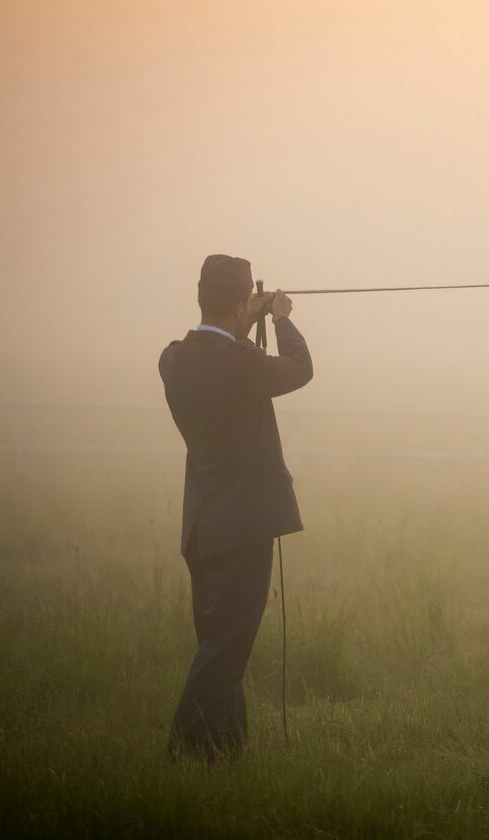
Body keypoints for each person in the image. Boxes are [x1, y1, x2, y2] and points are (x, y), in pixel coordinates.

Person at [158, 254, 312, 761]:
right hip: (243, 528)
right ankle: (181, 750)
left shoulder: (174, 359)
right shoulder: (240, 363)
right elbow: (299, 370)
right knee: (227, 651)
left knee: (219, 643)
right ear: (239, 302)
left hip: (201, 526)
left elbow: (221, 356)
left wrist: (243, 317)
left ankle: (225, 751)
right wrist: (282, 318)